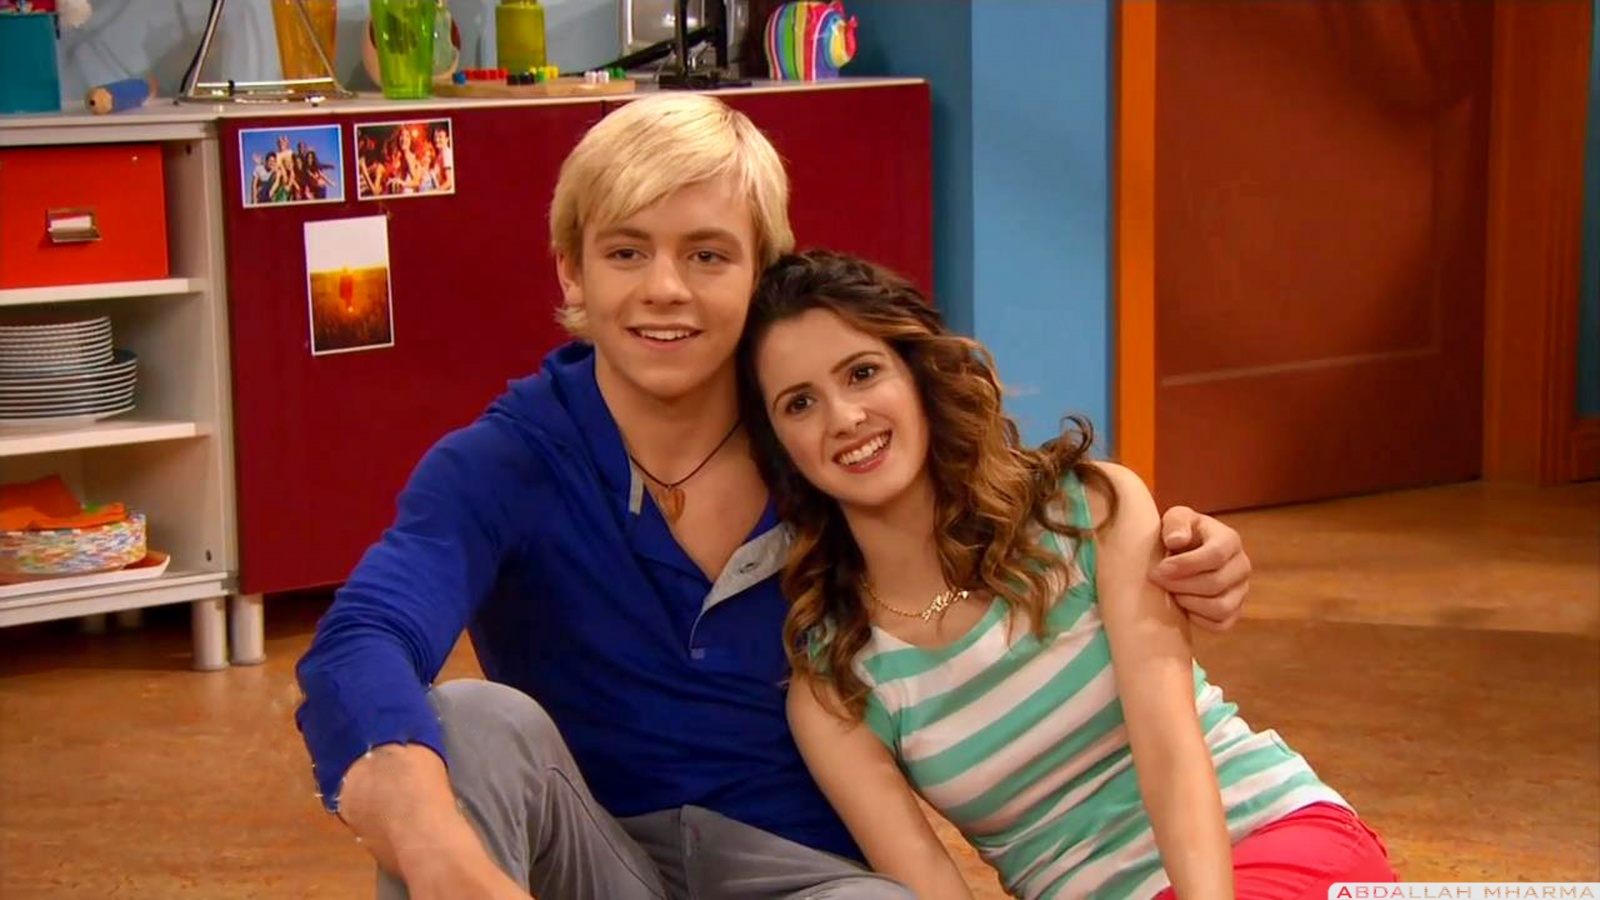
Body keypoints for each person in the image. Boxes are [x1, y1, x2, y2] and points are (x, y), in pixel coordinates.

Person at [293, 93, 1256, 900]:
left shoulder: (828, 441)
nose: (665, 289)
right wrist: (444, 860)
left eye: (708, 255)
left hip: (802, 875)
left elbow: (1009, 519)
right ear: (571, 270)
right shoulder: (501, 462)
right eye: (626, 252)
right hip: (590, 861)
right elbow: (364, 639)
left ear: (761, 274)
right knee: (474, 721)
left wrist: (1188, 550)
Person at [736, 249, 1397, 900]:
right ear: (778, 447)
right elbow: (932, 887)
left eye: (862, 373)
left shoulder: (1089, 510)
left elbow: (1169, 752)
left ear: (916, 374)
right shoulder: (835, 690)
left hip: (1262, 838)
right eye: (800, 403)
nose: (844, 418)